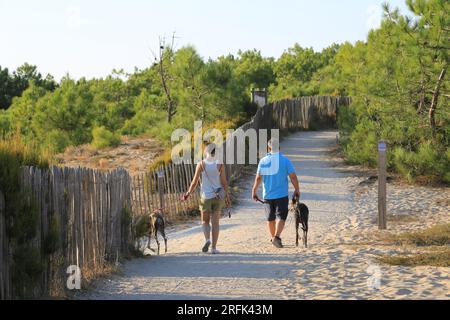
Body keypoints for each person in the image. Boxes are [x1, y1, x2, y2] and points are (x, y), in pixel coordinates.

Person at [252, 138, 300, 248]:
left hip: (267, 195)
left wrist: (254, 191)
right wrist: (297, 189)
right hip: (281, 195)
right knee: (281, 217)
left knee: (270, 218)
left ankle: (273, 237)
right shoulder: (285, 160)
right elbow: (292, 177)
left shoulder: (263, 161)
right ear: (279, 148)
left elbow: (258, 178)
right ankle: (276, 237)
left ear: (269, 148)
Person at [183, 144, 230, 254]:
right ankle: (213, 248)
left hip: (205, 197)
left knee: (205, 221)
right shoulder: (220, 164)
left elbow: (194, 182)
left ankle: (207, 239)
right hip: (217, 197)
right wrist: (227, 195)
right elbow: (224, 182)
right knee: (216, 223)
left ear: (206, 152)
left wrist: (188, 193)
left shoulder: (201, 164)